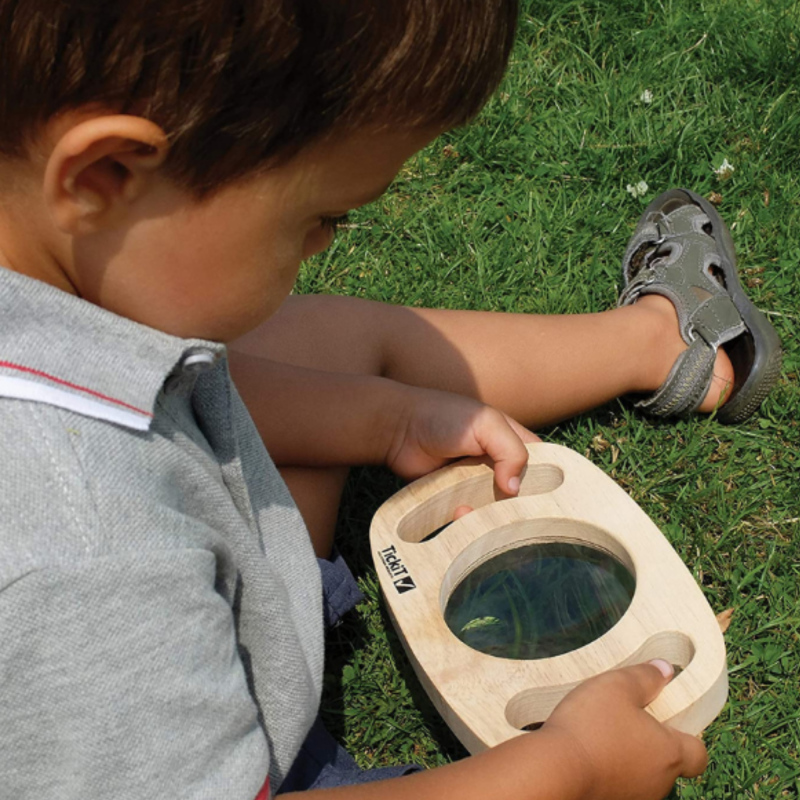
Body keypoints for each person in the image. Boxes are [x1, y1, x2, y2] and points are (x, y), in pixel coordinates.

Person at [0, 2, 780, 800]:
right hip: (222, 758)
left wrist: (389, 417)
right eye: (317, 218)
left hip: (194, 592)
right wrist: (571, 768)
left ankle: (654, 345)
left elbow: (175, 394)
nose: (323, 247)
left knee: (316, 344)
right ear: (103, 176)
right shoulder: (87, 553)